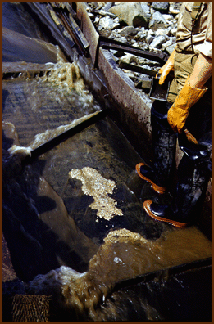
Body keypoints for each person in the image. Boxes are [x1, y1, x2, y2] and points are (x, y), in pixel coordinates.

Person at [135, 2, 212, 228]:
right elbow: (191, 33)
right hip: (187, 67)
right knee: (161, 112)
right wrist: (171, 60)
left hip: (203, 78)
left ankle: (181, 213)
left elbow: (210, 54)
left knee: (196, 147)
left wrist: (184, 102)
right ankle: (161, 176)